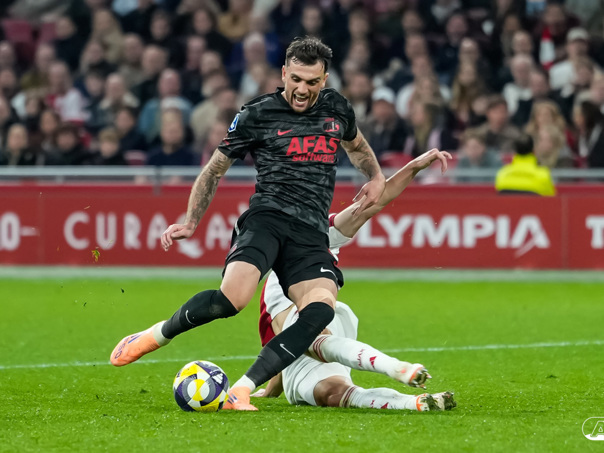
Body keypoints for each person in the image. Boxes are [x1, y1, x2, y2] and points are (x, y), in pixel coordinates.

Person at [109, 37, 387, 411]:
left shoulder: (337, 108)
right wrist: (191, 221)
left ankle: (243, 389)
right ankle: (157, 334)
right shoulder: (257, 113)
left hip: (310, 232)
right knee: (232, 300)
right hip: (267, 219)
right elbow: (214, 169)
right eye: (296, 79)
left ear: (324, 80)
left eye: (312, 82)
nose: (302, 89)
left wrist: (376, 176)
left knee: (321, 309)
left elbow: (356, 146)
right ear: (284, 73)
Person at [254, 148, 456, 412]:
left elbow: (375, 202)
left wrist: (415, 166)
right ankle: (415, 402)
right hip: (299, 359)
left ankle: (394, 367)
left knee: (310, 330)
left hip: (324, 322)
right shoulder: (271, 282)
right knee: (335, 394)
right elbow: (281, 345)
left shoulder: (322, 233)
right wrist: (268, 391)